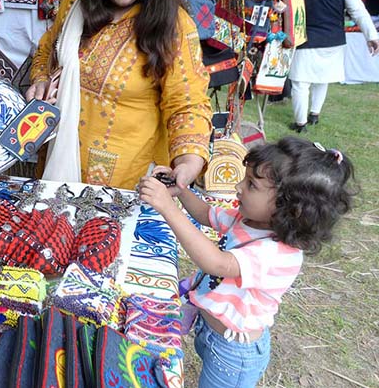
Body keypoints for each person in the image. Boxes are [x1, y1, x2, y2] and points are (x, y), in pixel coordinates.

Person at [138, 137, 355, 388]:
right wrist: (181, 190)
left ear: (290, 207)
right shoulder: (248, 220)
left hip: (234, 353)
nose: (238, 187)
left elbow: (217, 264)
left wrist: (169, 209)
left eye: (251, 184)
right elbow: (206, 214)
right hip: (212, 332)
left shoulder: (278, 254)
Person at [27, 0, 212, 190]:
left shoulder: (173, 25)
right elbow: (45, 53)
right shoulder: (73, 5)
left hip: (126, 188)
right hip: (54, 168)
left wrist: (187, 163)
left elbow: (186, 104)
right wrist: (40, 80)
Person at [288, 0, 379, 133]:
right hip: (334, 40)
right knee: (323, 80)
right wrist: (372, 36)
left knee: (300, 83)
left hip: (307, 40)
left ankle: (300, 124)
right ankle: (314, 115)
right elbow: (358, 11)